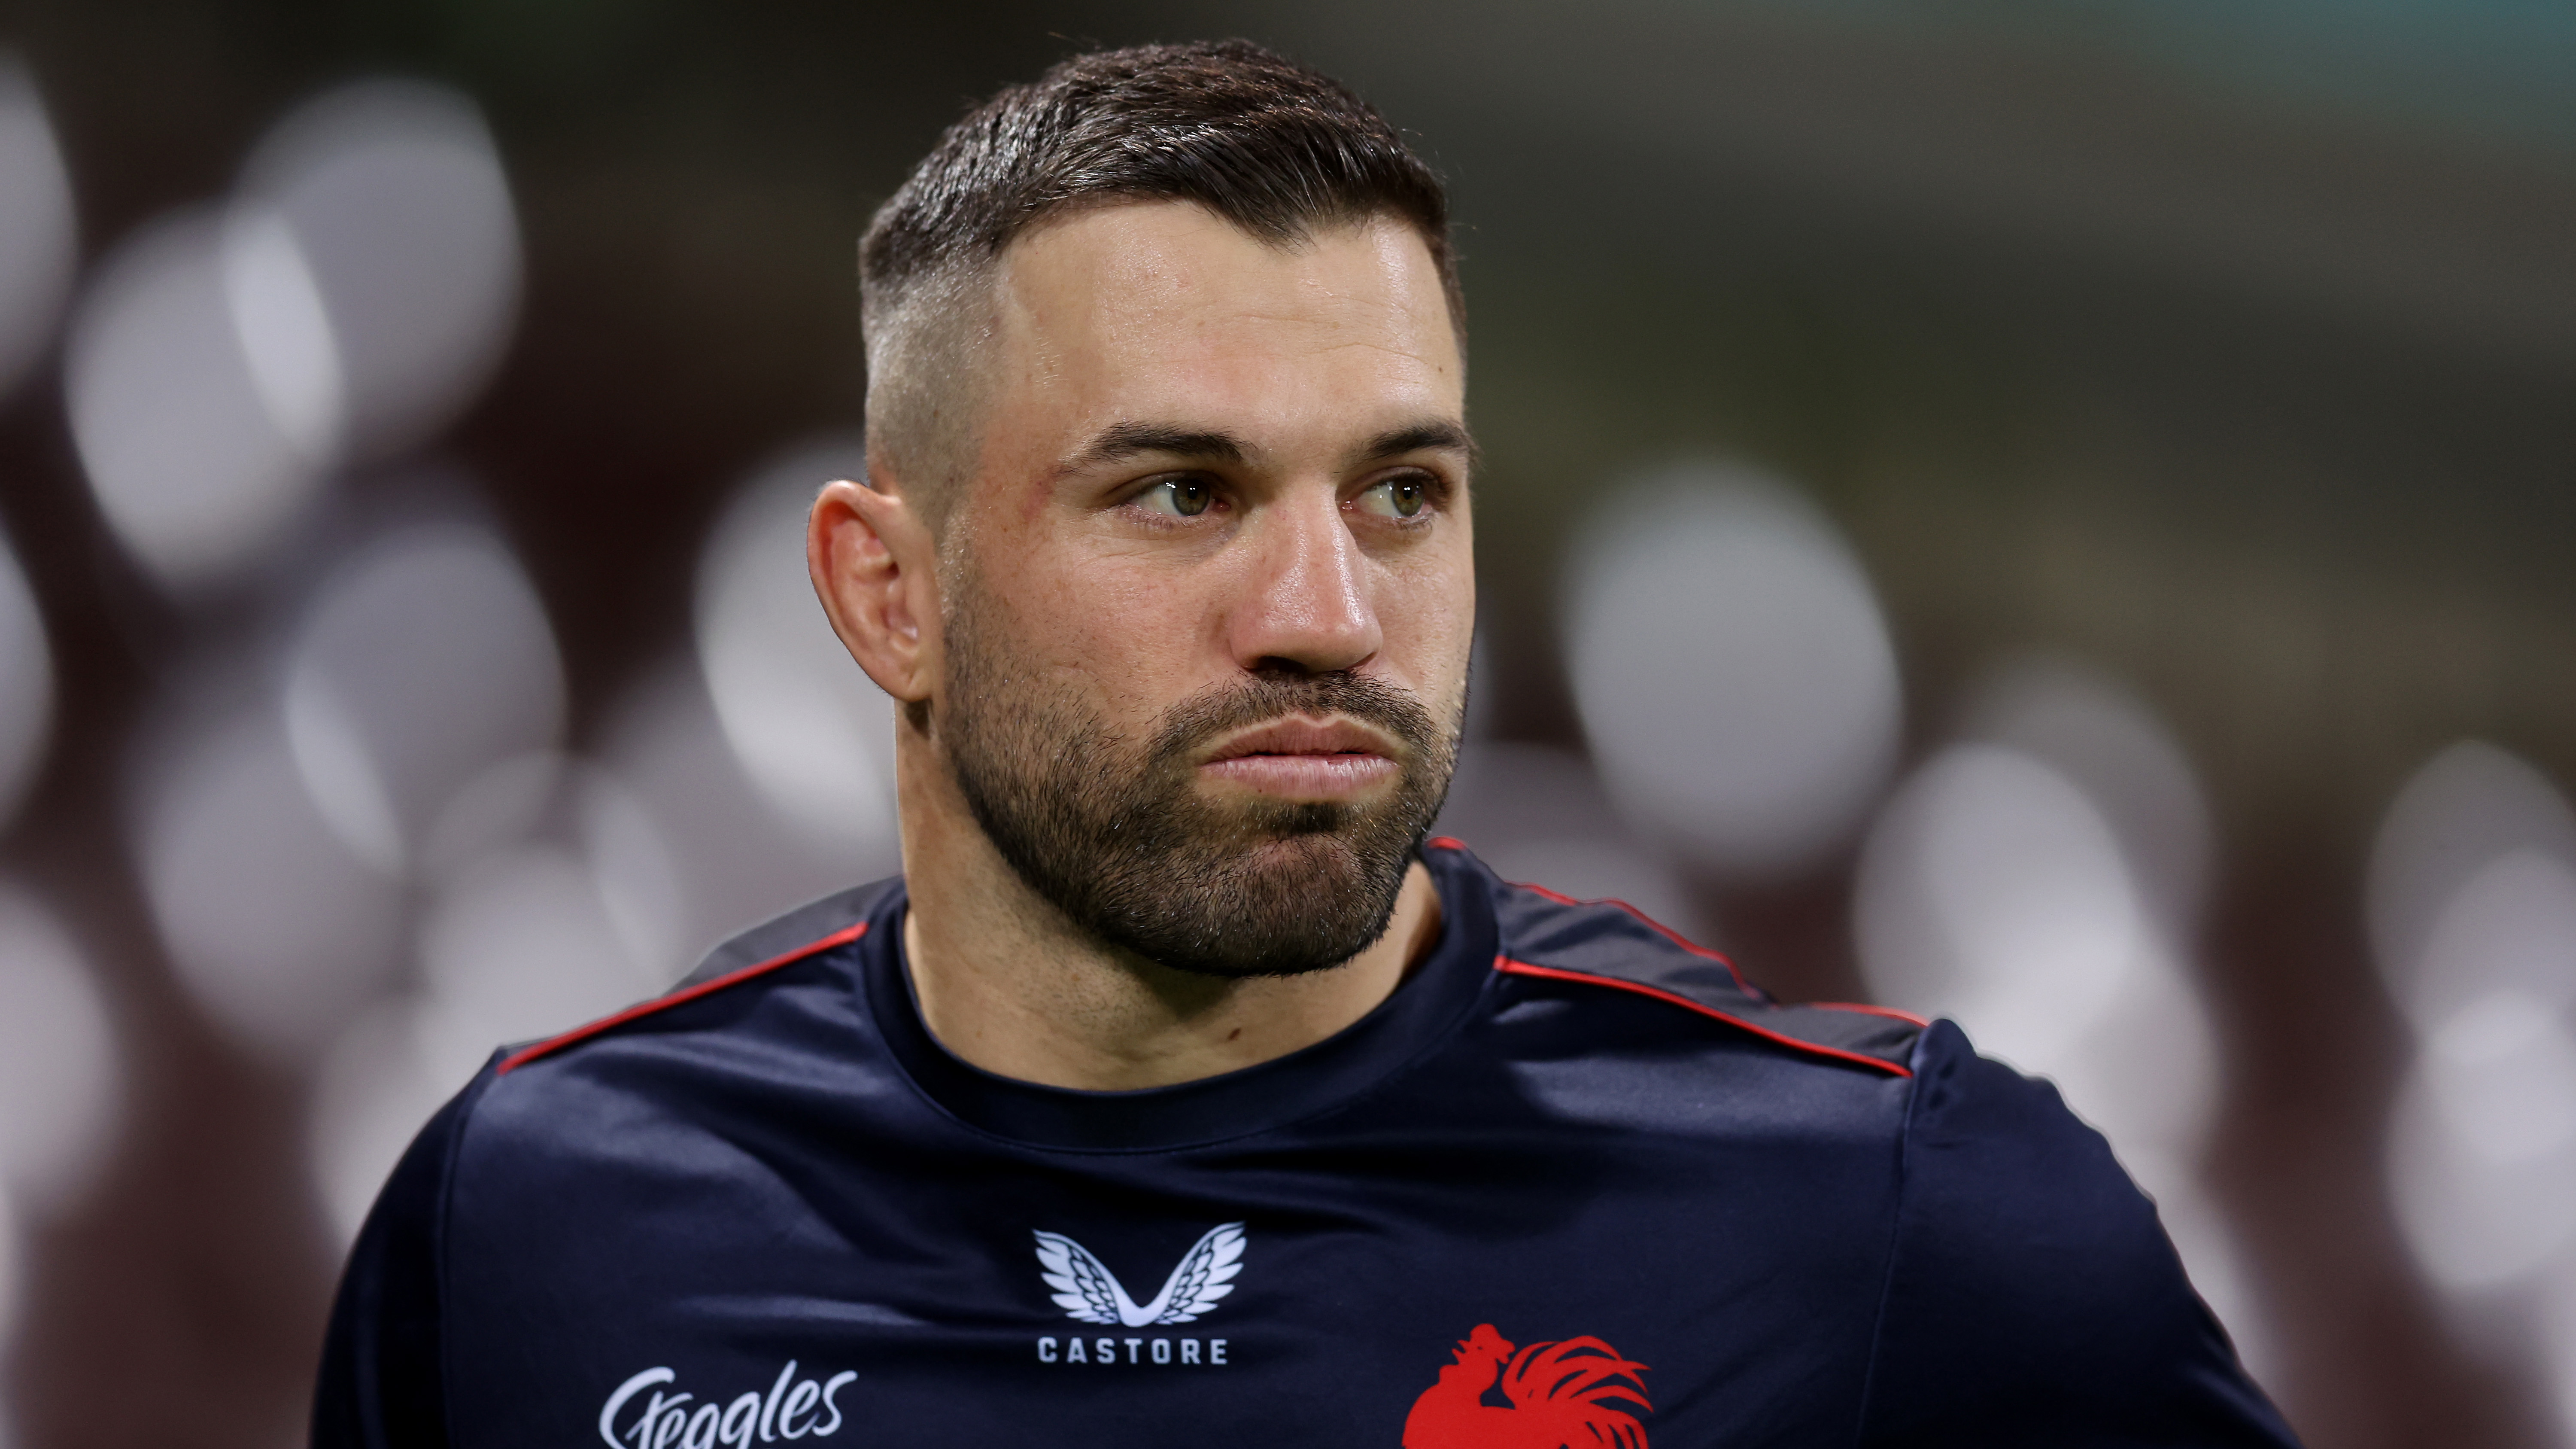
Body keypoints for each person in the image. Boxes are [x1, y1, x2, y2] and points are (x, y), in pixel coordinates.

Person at [314, 40, 2298, 1448]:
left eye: (1403, 494)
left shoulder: (1894, 1217)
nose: (1328, 617)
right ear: (886, 595)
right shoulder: (536, 1228)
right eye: (1184, 492)